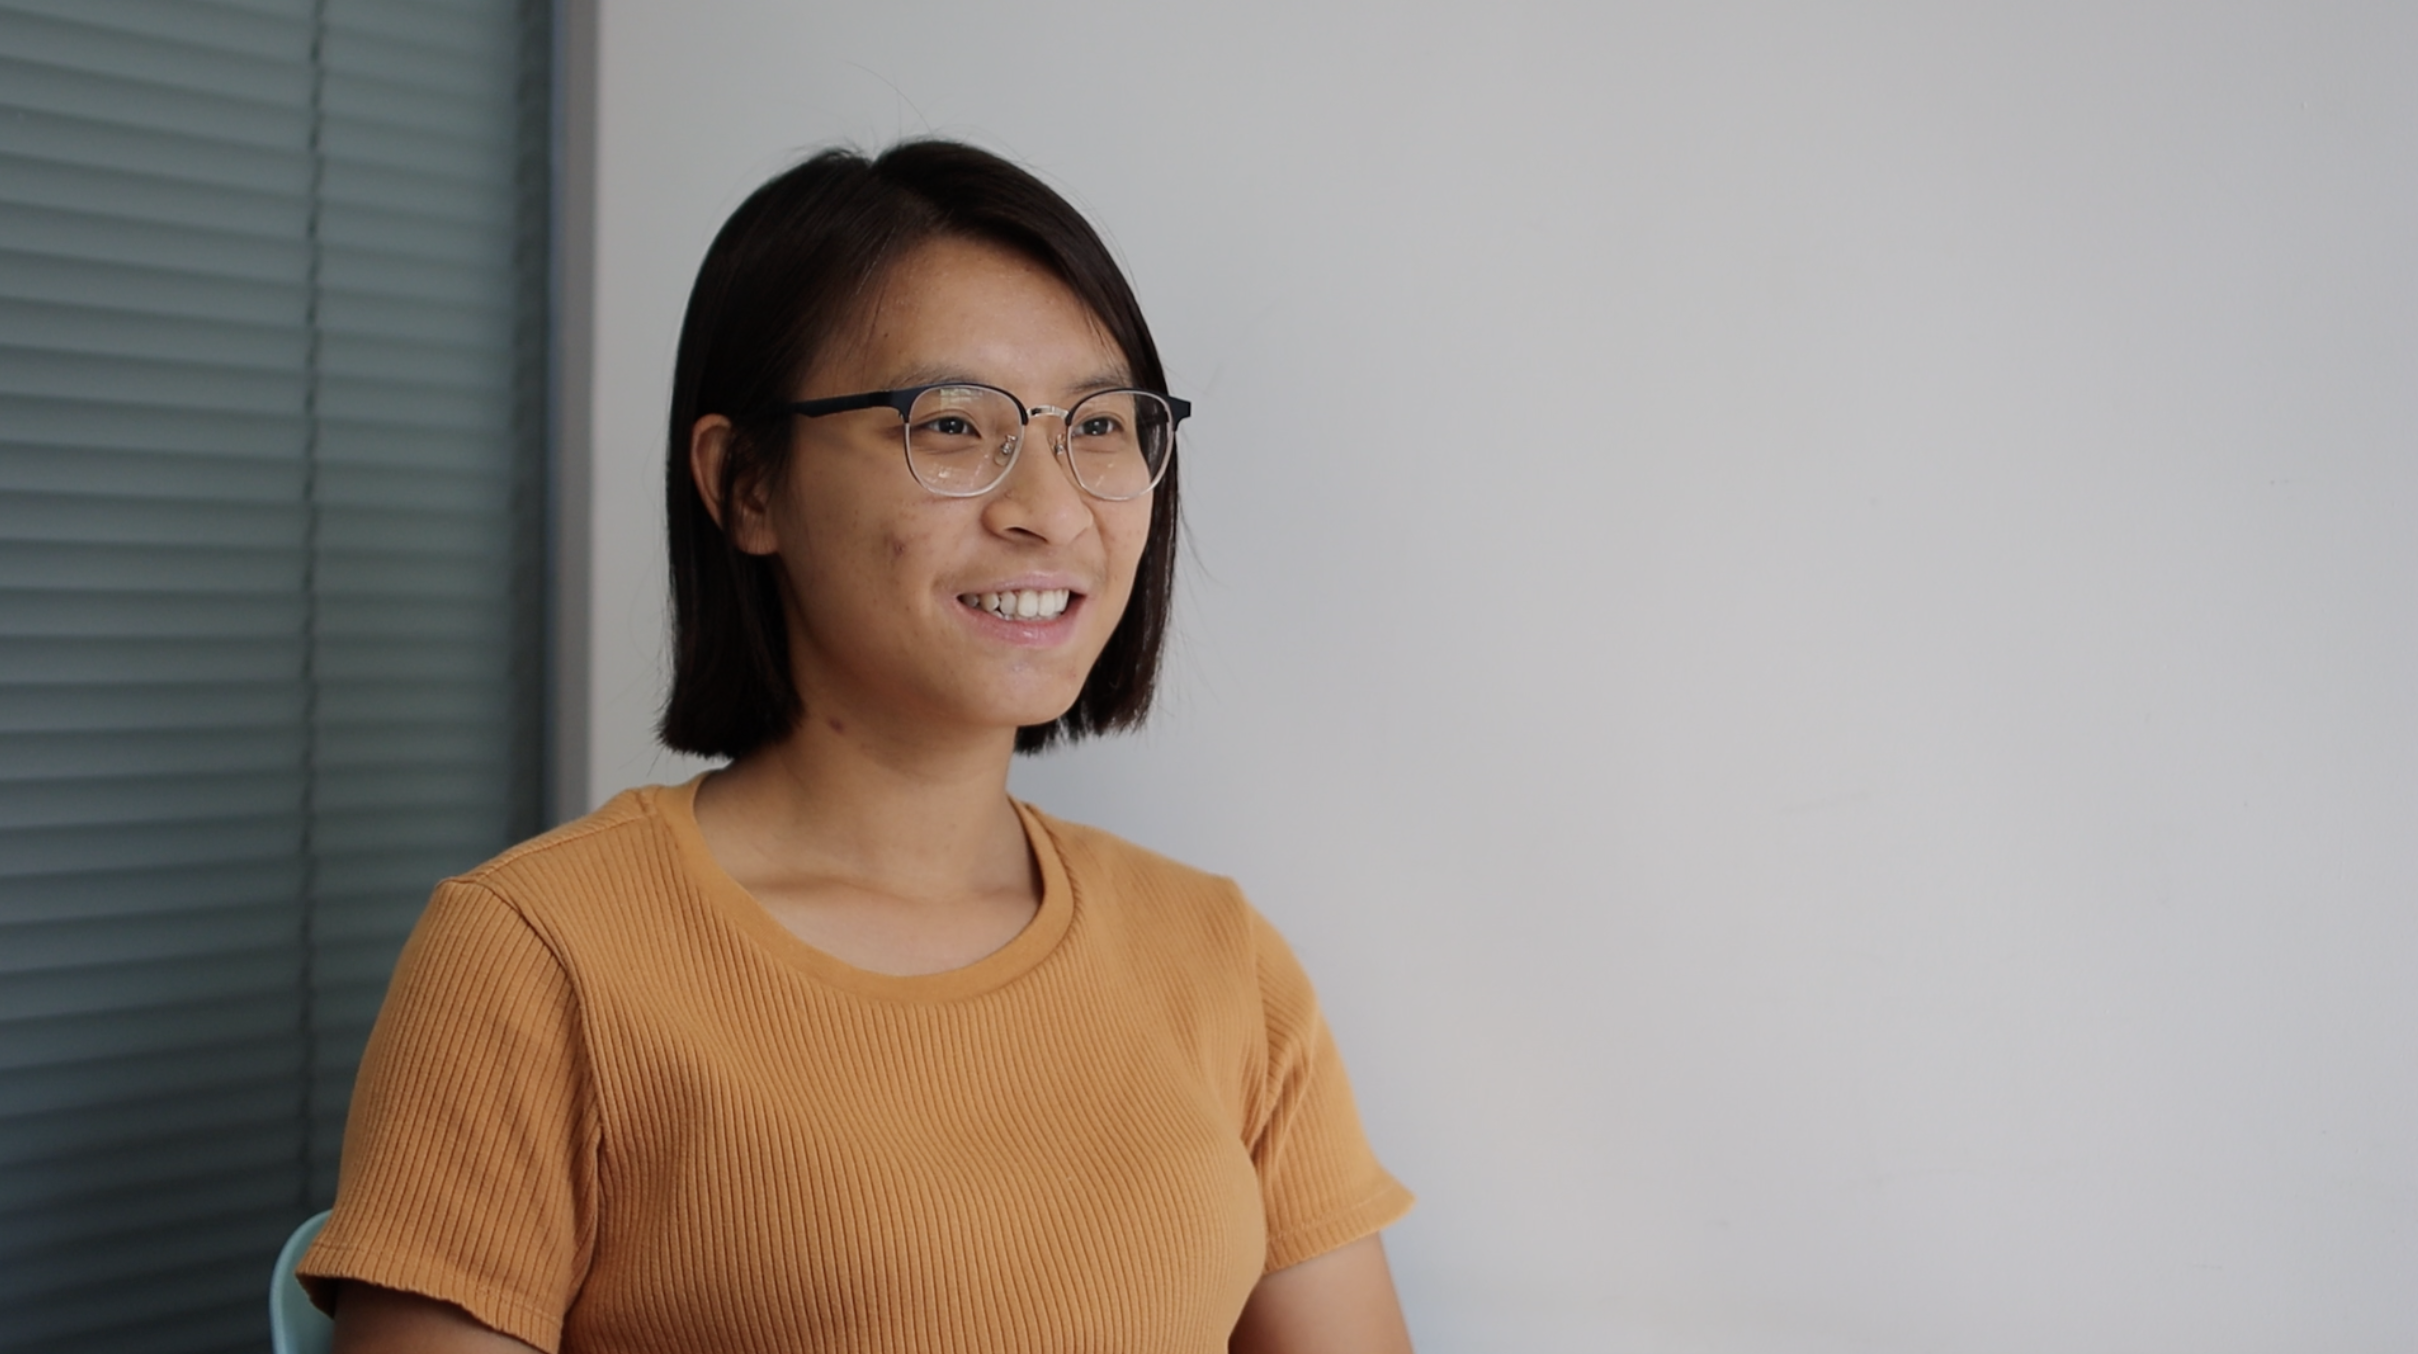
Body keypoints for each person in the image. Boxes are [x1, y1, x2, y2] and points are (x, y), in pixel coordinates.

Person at [299, 140, 1414, 1353]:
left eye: (1098, 425)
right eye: (949, 424)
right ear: (746, 487)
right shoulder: (536, 958)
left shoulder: (1224, 963)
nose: (1049, 505)